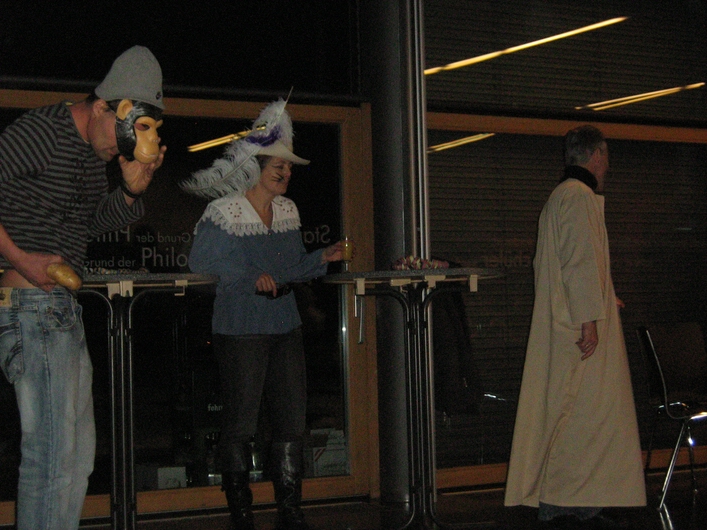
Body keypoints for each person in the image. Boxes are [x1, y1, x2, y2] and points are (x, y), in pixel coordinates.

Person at [0, 45, 166, 529]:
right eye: (119, 138)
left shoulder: (93, 156)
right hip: (29, 306)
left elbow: (89, 224)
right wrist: (18, 257)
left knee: (76, 461)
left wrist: (131, 191)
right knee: (51, 458)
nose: (117, 152)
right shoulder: (41, 132)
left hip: (61, 311)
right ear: (101, 108)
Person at [183, 99, 346, 530]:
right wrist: (250, 276)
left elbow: (289, 269)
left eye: (289, 167)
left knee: (291, 419)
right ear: (255, 167)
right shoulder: (224, 211)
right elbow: (201, 262)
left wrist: (321, 257)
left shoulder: (288, 210)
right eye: (279, 166)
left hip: (285, 324)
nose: (286, 173)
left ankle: (290, 509)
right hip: (241, 328)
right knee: (241, 423)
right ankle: (241, 513)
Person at [504, 125, 646, 528]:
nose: (608, 165)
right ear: (597, 155)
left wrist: (603, 296)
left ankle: (573, 497)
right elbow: (579, 261)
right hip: (576, 328)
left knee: (577, 414)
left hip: (569, 319)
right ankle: (567, 499)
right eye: (606, 156)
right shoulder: (578, 198)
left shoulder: (561, 197)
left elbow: (566, 263)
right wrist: (589, 319)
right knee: (579, 415)